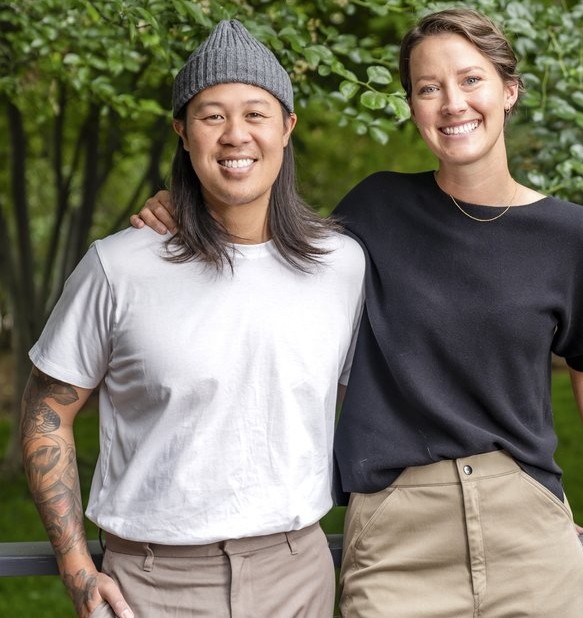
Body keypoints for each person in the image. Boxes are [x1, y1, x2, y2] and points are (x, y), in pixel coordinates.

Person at [133, 8, 583, 617]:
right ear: (412, 106)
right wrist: (185, 201)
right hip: (395, 532)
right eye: (427, 88)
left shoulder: (571, 235)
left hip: (527, 527)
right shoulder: (376, 209)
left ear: (508, 91)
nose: (452, 103)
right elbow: (269, 241)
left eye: (471, 80)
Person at [22, 19, 364, 618]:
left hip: (298, 573)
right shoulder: (118, 267)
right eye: (212, 116)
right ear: (183, 132)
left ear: (287, 128)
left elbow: (355, 409)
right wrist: (77, 569)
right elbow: (45, 417)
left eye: (256, 114)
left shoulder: (342, 266)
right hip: (149, 584)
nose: (236, 135)